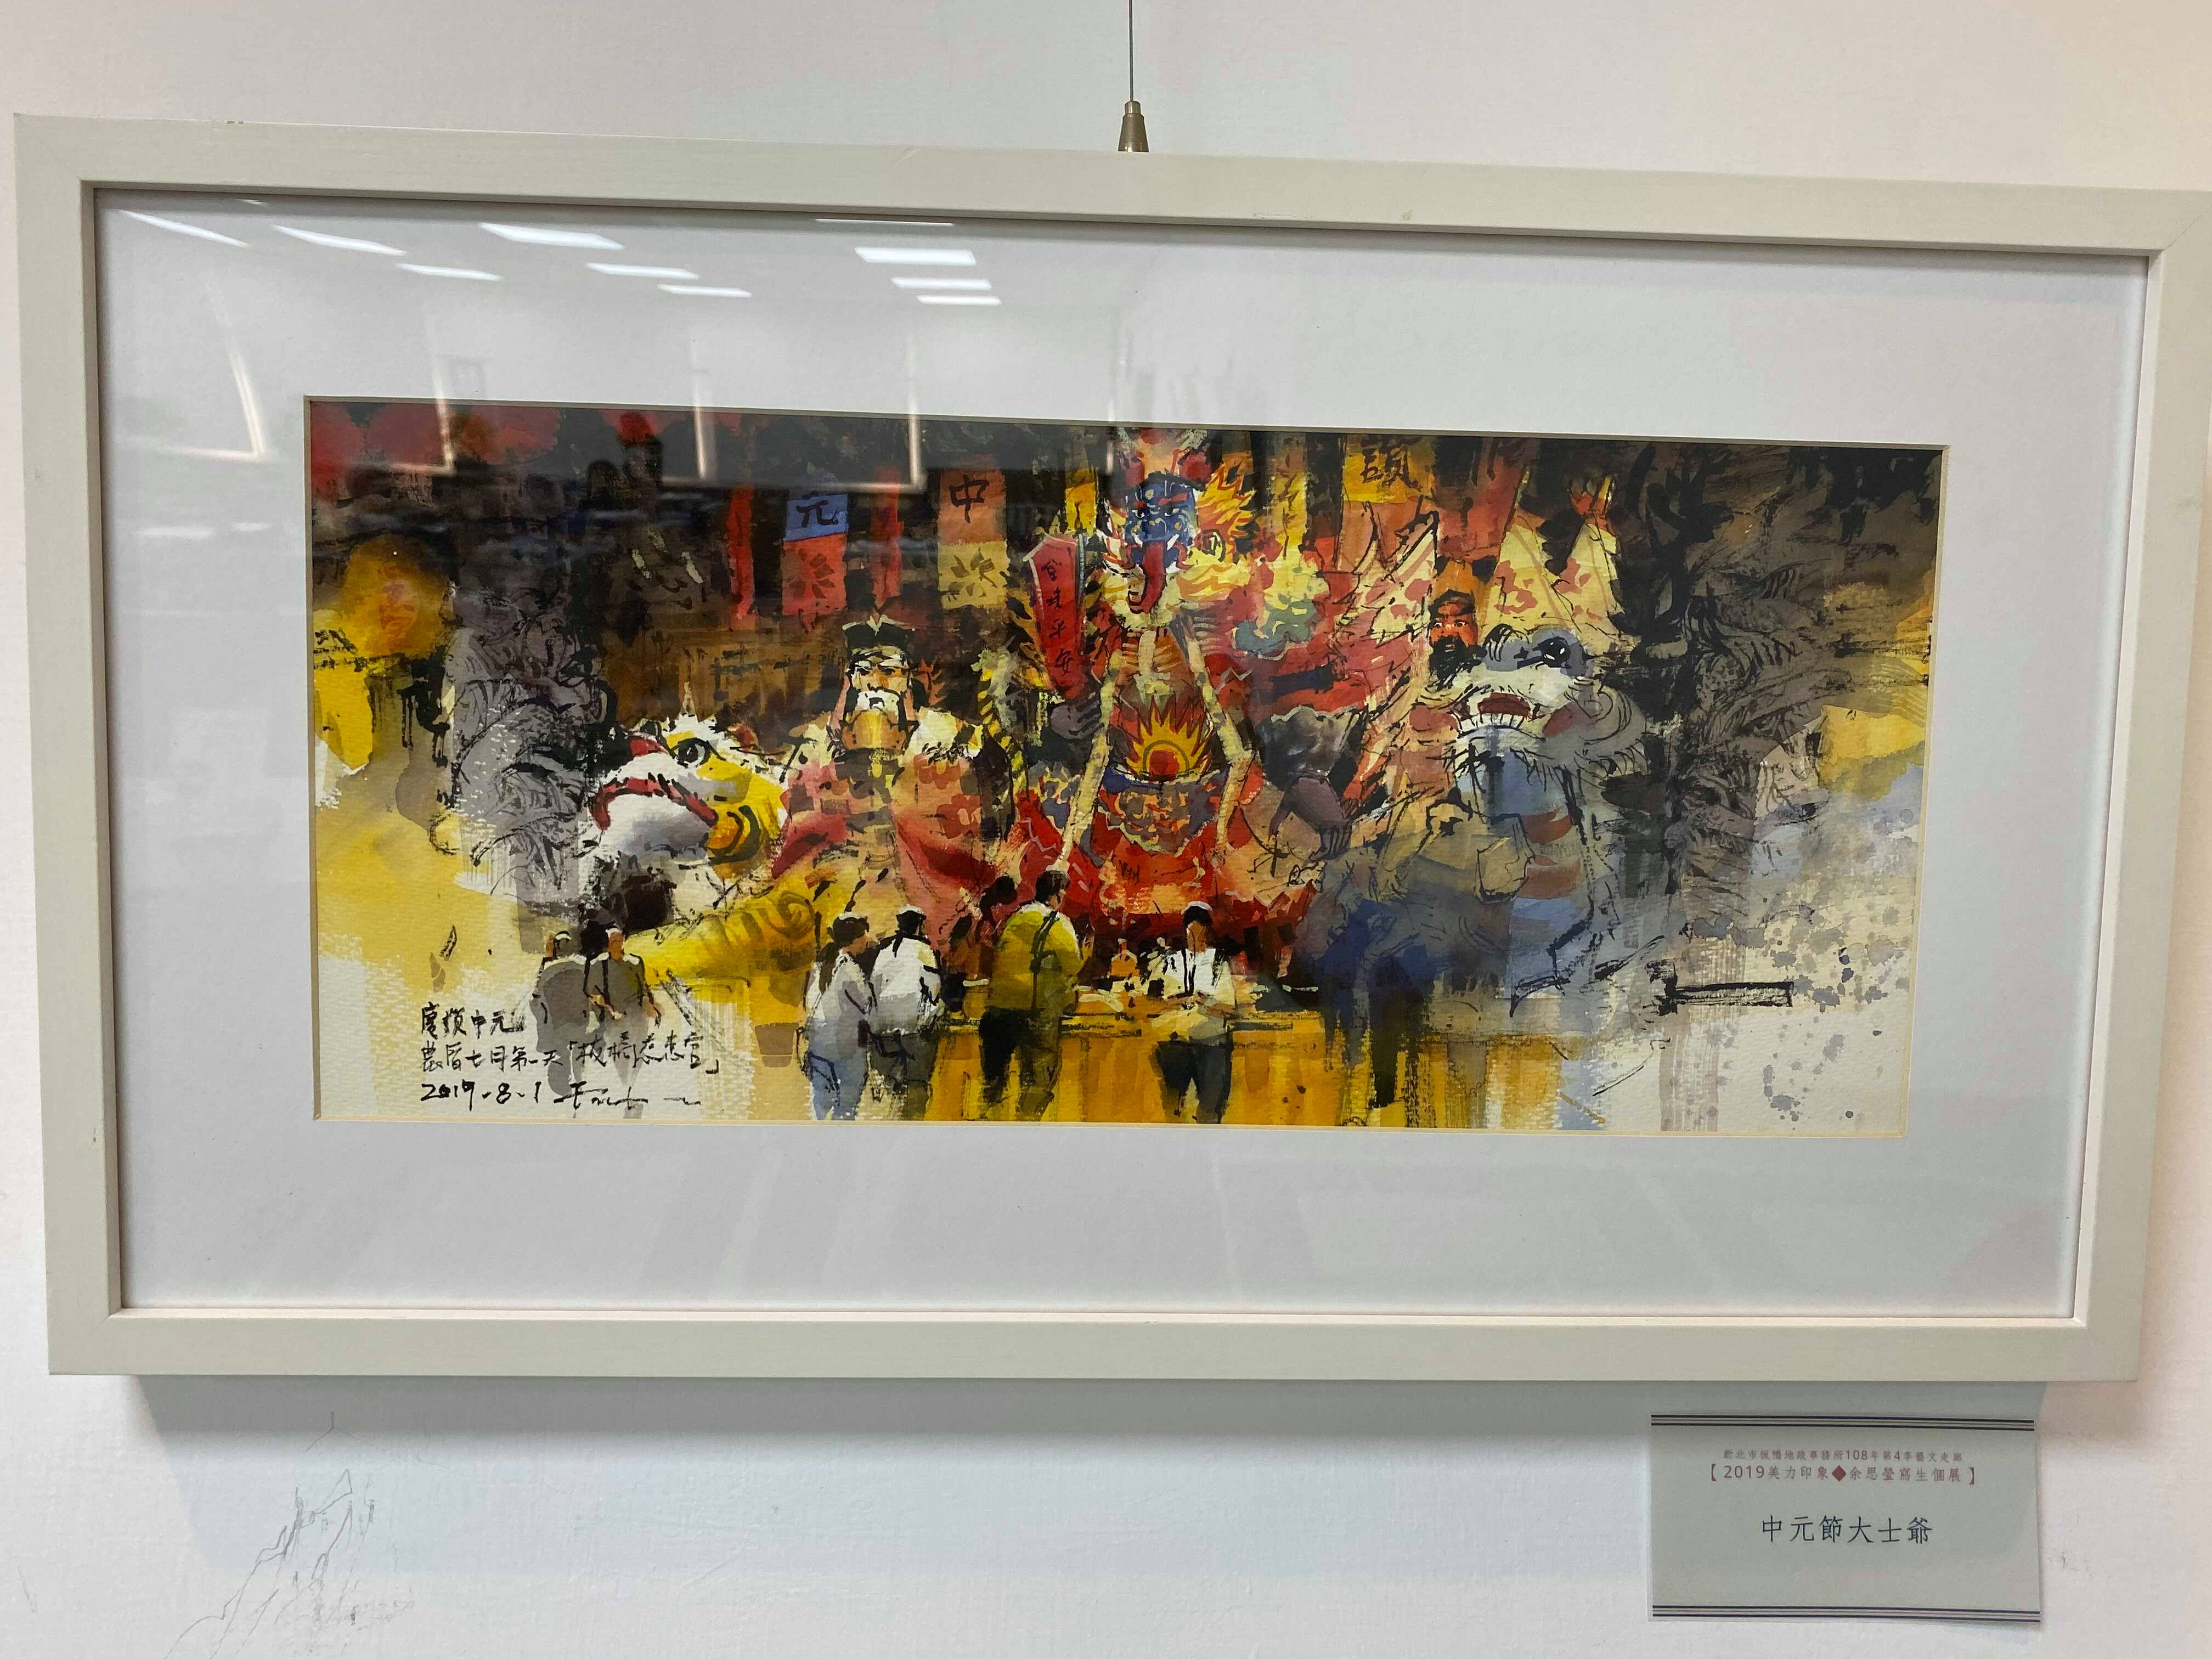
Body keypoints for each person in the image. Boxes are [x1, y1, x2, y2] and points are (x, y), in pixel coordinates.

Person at [978, 869, 1084, 1120]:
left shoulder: (1015, 918)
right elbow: (1073, 965)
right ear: (1058, 895)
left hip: (998, 1010)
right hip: (1034, 1011)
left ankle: (990, 1123)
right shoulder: (1058, 922)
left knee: (995, 1082)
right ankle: (1027, 1125)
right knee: (1038, 1079)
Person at [1147, 902, 1240, 1123]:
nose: (1196, 942)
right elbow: (1151, 1003)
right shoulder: (1170, 961)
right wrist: (1179, 1000)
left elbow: (1230, 1008)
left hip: (1212, 1043)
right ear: (1185, 931)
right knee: (1172, 1109)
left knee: (1211, 1110)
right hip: (1175, 1042)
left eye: (1201, 936)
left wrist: (1205, 1001)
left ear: (1208, 933)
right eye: (1191, 935)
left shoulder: (1218, 962)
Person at [869, 906, 943, 1119]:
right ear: (919, 925)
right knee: (917, 1080)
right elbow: (934, 989)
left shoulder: (884, 951)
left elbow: (873, 987)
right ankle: (914, 1118)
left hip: (883, 1026)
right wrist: (934, 1013)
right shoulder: (924, 951)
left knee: (890, 1078)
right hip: (913, 1026)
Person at [803, 913, 874, 1120]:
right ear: (853, 940)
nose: (867, 940)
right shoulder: (850, 969)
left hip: (818, 1044)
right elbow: (866, 1004)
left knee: (821, 1104)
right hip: (846, 1046)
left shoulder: (819, 966)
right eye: (863, 935)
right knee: (846, 1107)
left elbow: (809, 1002)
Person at [587, 927, 662, 1116]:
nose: (618, 944)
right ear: (607, 945)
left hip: (636, 1016)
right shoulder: (598, 965)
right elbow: (592, 995)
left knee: (638, 1053)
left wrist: (648, 1003)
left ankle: (632, 1092)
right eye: (614, 941)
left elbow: (643, 988)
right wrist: (609, 1010)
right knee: (621, 1056)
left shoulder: (635, 962)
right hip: (614, 1018)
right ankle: (627, 1090)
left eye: (620, 940)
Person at [529, 930, 589, 1103]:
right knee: (576, 1051)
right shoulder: (583, 966)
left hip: (560, 1025)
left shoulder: (548, 970)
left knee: (563, 1051)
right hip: (579, 1022)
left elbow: (536, 1000)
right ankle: (578, 1084)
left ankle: (569, 1086)